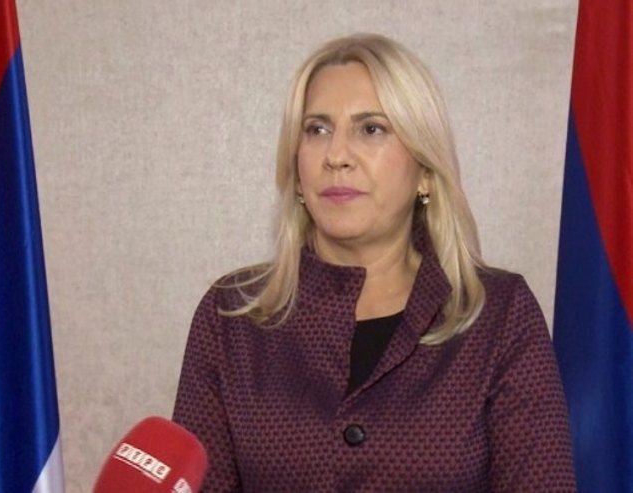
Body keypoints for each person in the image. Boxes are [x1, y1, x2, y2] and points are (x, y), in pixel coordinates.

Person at [173, 33, 576, 492]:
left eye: (371, 129)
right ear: (297, 170)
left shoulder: (499, 314)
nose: (336, 156)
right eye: (317, 130)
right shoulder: (231, 317)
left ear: (425, 171)